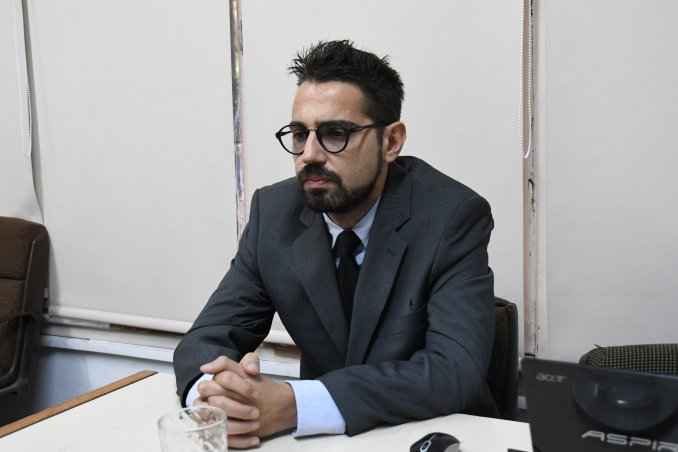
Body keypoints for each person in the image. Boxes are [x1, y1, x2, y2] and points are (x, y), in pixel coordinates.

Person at [173, 39, 497, 449]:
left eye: (335, 134)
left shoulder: (451, 217)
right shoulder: (273, 214)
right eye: (299, 134)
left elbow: (454, 371)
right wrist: (216, 400)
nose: (309, 155)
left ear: (391, 142)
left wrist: (294, 406)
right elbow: (205, 339)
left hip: (434, 436)